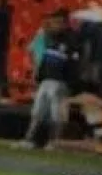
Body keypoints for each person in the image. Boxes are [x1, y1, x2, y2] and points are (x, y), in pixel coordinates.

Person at [15, 9, 79, 150]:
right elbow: (45, 59)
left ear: (64, 23)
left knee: (56, 114)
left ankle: (54, 142)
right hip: (46, 81)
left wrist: (69, 83)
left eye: (57, 22)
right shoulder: (52, 40)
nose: (53, 25)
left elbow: (73, 65)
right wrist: (40, 76)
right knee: (38, 112)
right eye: (53, 22)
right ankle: (30, 140)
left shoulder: (71, 40)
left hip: (60, 82)